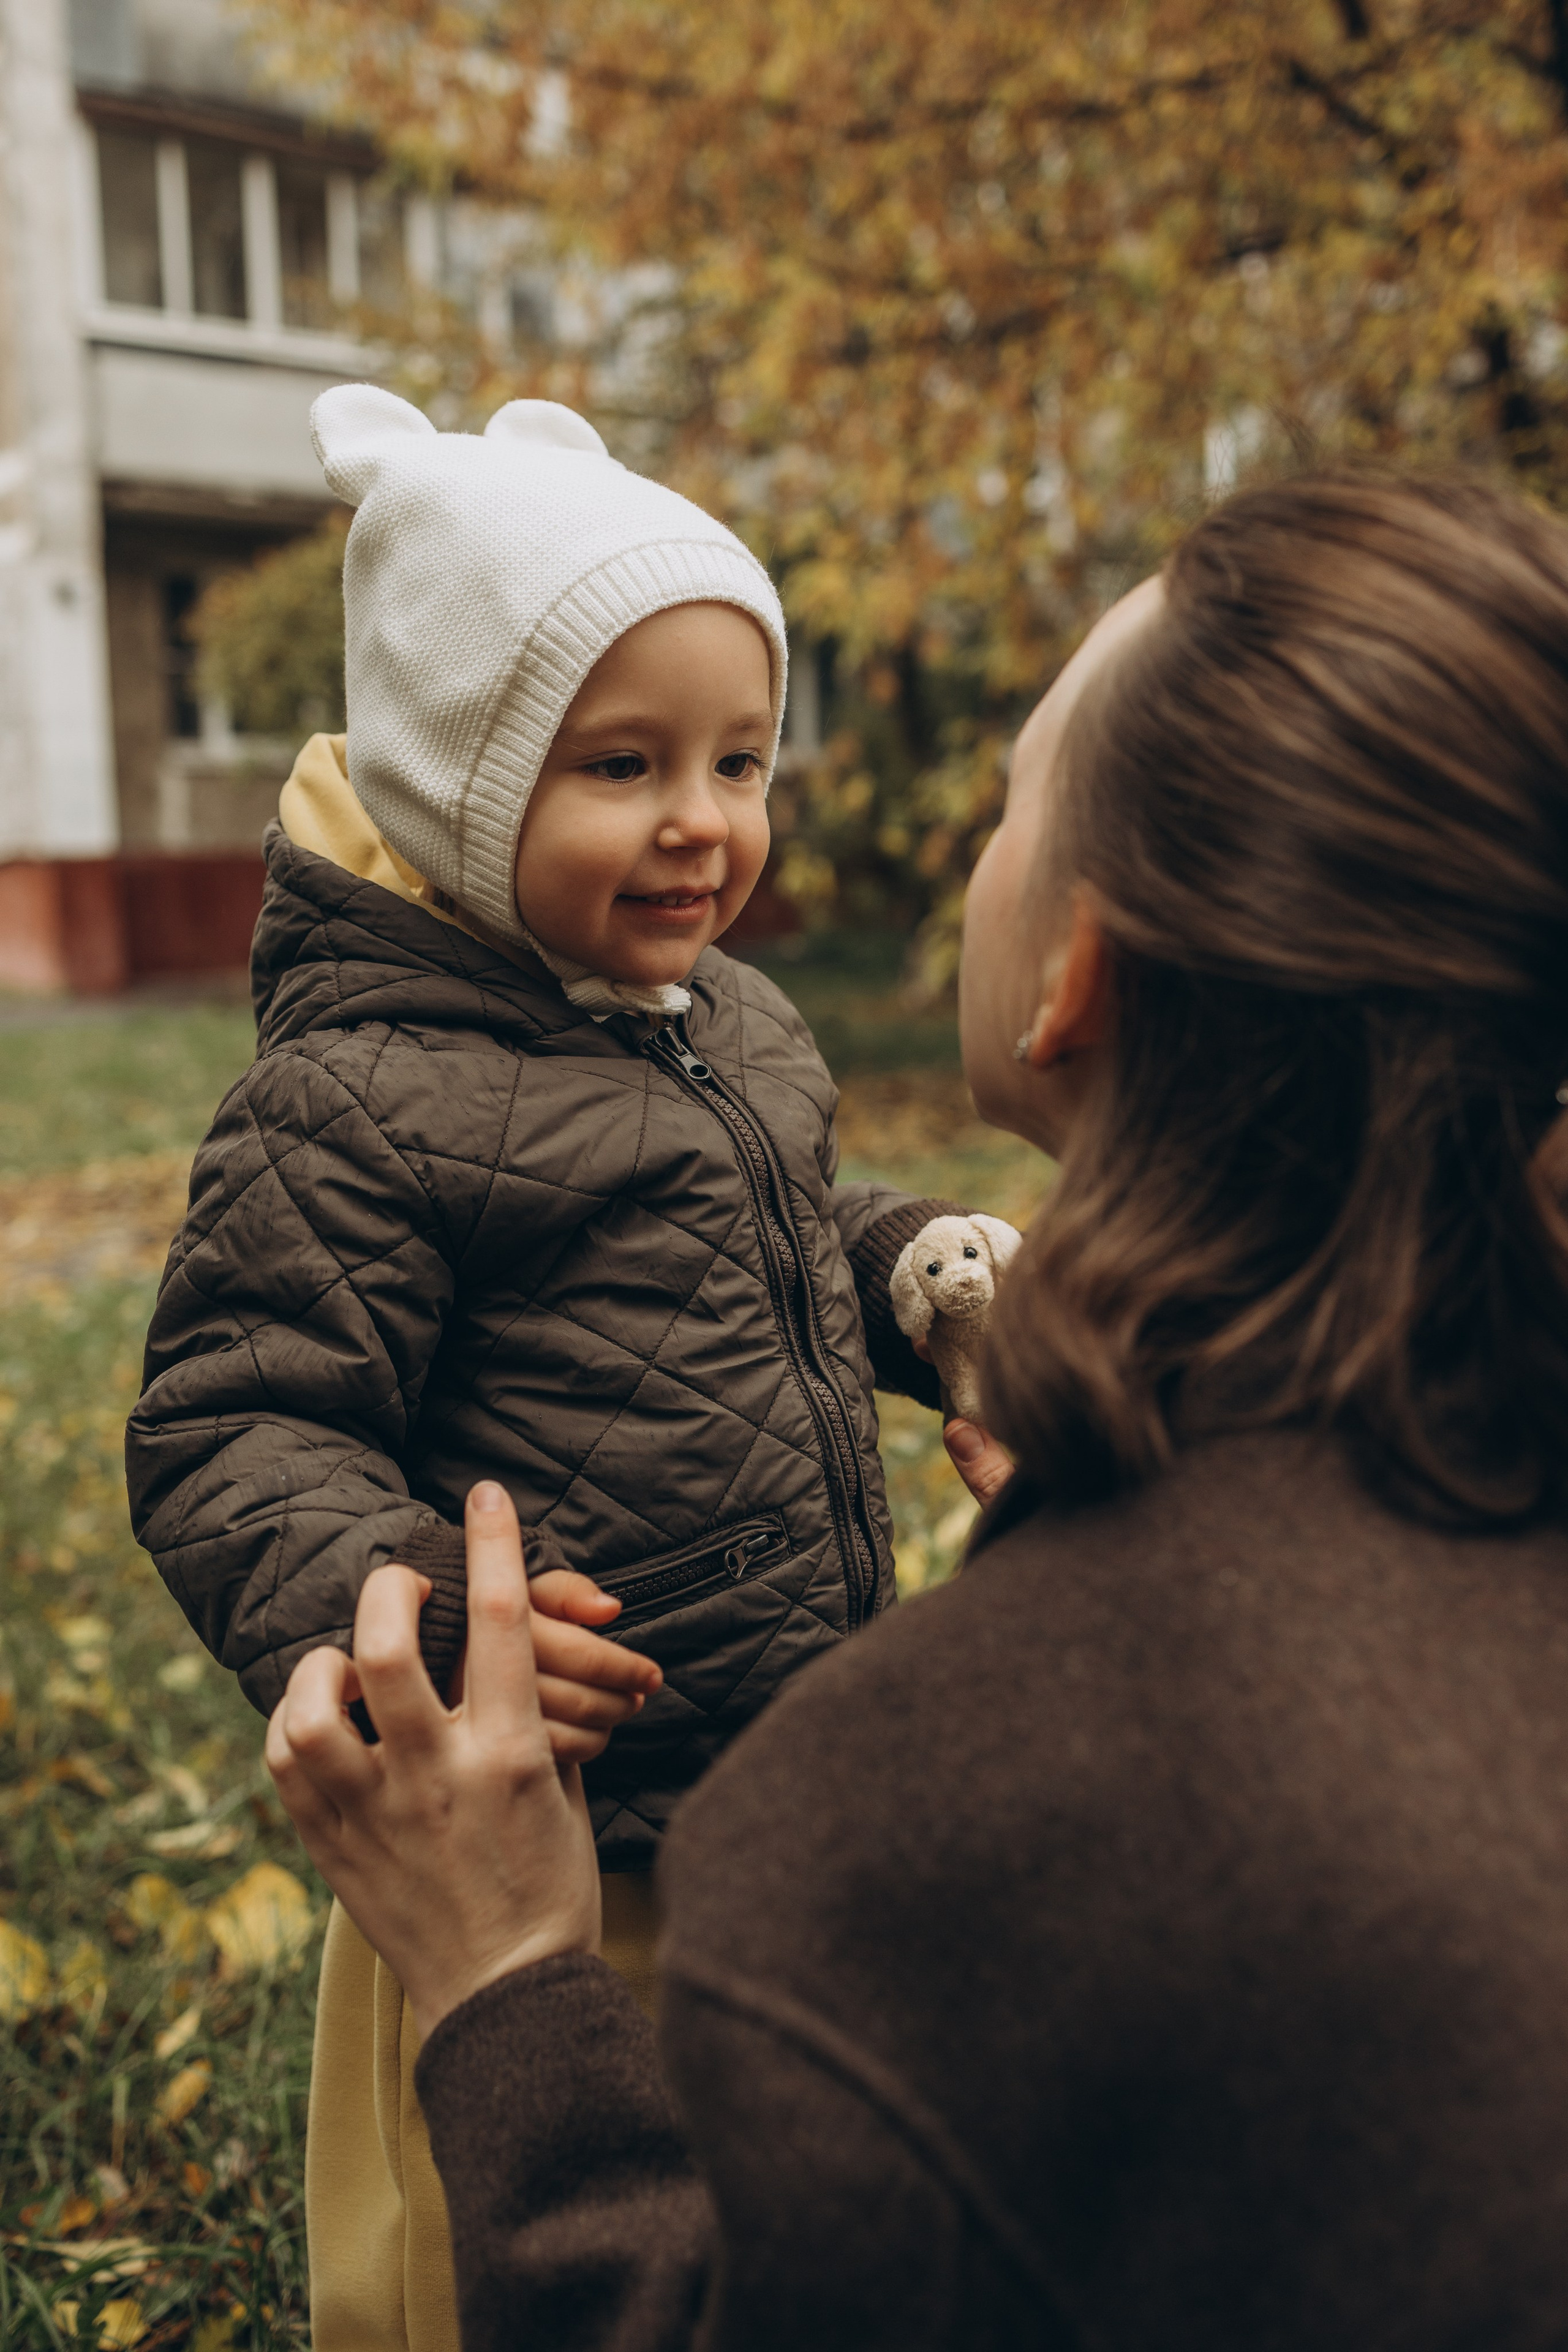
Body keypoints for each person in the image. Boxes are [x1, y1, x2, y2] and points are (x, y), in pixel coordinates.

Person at [270, 472, 1568, 2350]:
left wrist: (505, 1983)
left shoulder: (891, 1827)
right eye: (627, 765)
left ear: (1077, 973)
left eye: (1007, 803)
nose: (706, 827)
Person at [124, 386, 987, 2352]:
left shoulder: (733, 1026)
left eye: (742, 759)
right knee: (483, 2226)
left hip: (763, 1764)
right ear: (457, 786)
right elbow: (232, 1423)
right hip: (530, 1822)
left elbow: (785, 1244)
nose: (705, 820)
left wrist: (920, 1274)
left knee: (743, 2178)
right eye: (623, 765)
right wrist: (403, 1606)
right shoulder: (356, 1096)